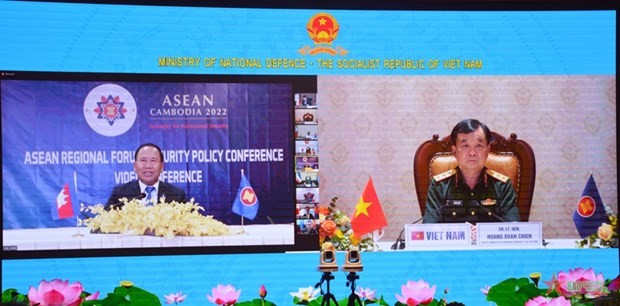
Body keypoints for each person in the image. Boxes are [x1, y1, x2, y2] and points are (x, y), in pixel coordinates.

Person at [424, 119, 520, 223]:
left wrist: (481, 232)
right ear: (454, 151)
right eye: (465, 146)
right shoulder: (439, 186)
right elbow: (429, 229)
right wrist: (463, 232)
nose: (472, 153)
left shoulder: (502, 186)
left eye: (478, 145)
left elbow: (513, 229)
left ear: (488, 150)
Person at [105, 143, 186, 210]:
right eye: (143, 160)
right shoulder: (120, 193)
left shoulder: (177, 195)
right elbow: (104, 223)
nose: (148, 166)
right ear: (135, 166)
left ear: (162, 167)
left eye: (153, 161)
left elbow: (190, 225)